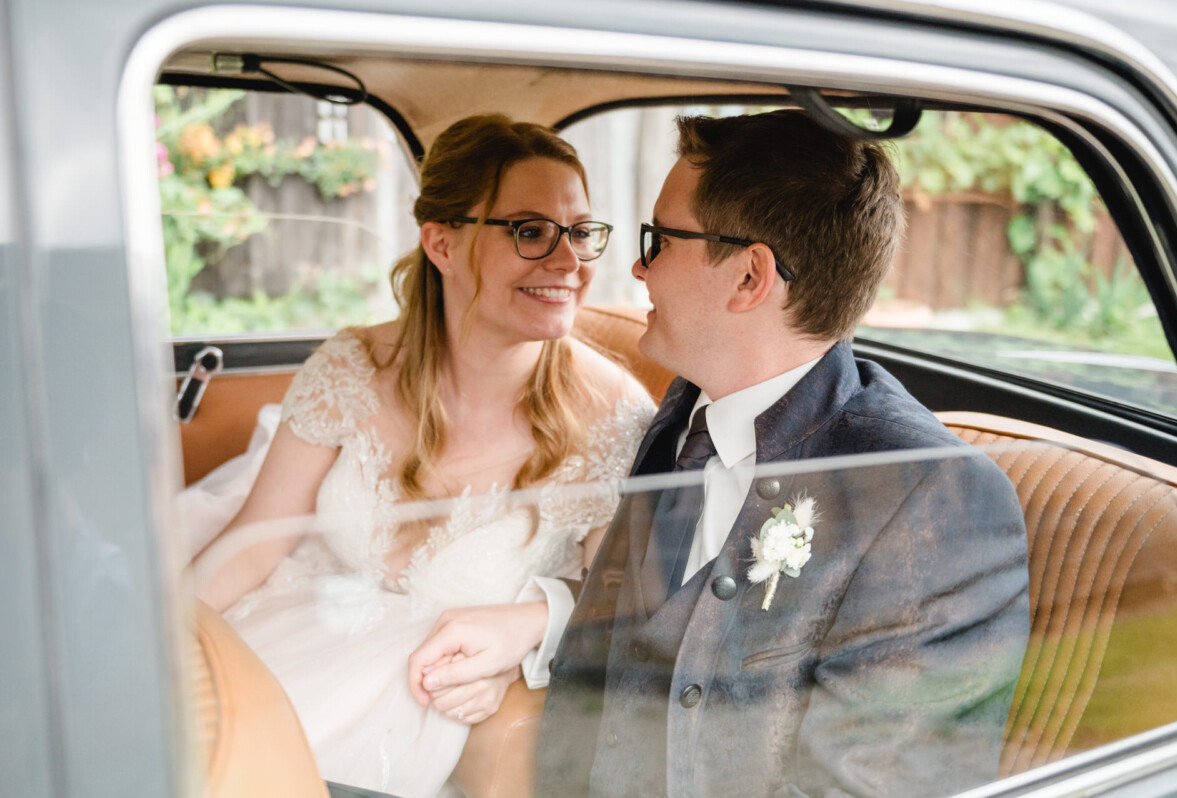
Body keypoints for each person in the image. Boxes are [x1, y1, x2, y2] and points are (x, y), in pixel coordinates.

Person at [409, 109, 1030, 798]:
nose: (638, 267)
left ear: (749, 278)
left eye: (661, 241)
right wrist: (536, 621)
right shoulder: (681, 414)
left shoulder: (930, 498)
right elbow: (637, 621)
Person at [186, 113, 655, 797]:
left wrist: (521, 634)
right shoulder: (352, 364)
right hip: (291, 634)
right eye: (531, 231)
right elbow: (257, 541)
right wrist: (165, 638)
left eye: (582, 233)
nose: (568, 263)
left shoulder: (613, 415)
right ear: (440, 241)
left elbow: (621, 601)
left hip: (413, 705)